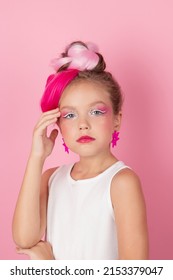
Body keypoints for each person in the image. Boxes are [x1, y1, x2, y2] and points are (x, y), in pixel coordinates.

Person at [12, 41, 149, 260]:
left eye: (96, 112)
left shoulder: (121, 182)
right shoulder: (51, 179)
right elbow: (24, 239)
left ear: (116, 120)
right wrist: (37, 157)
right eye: (70, 115)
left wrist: (51, 269)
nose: (83, 124)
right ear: (58, 124)